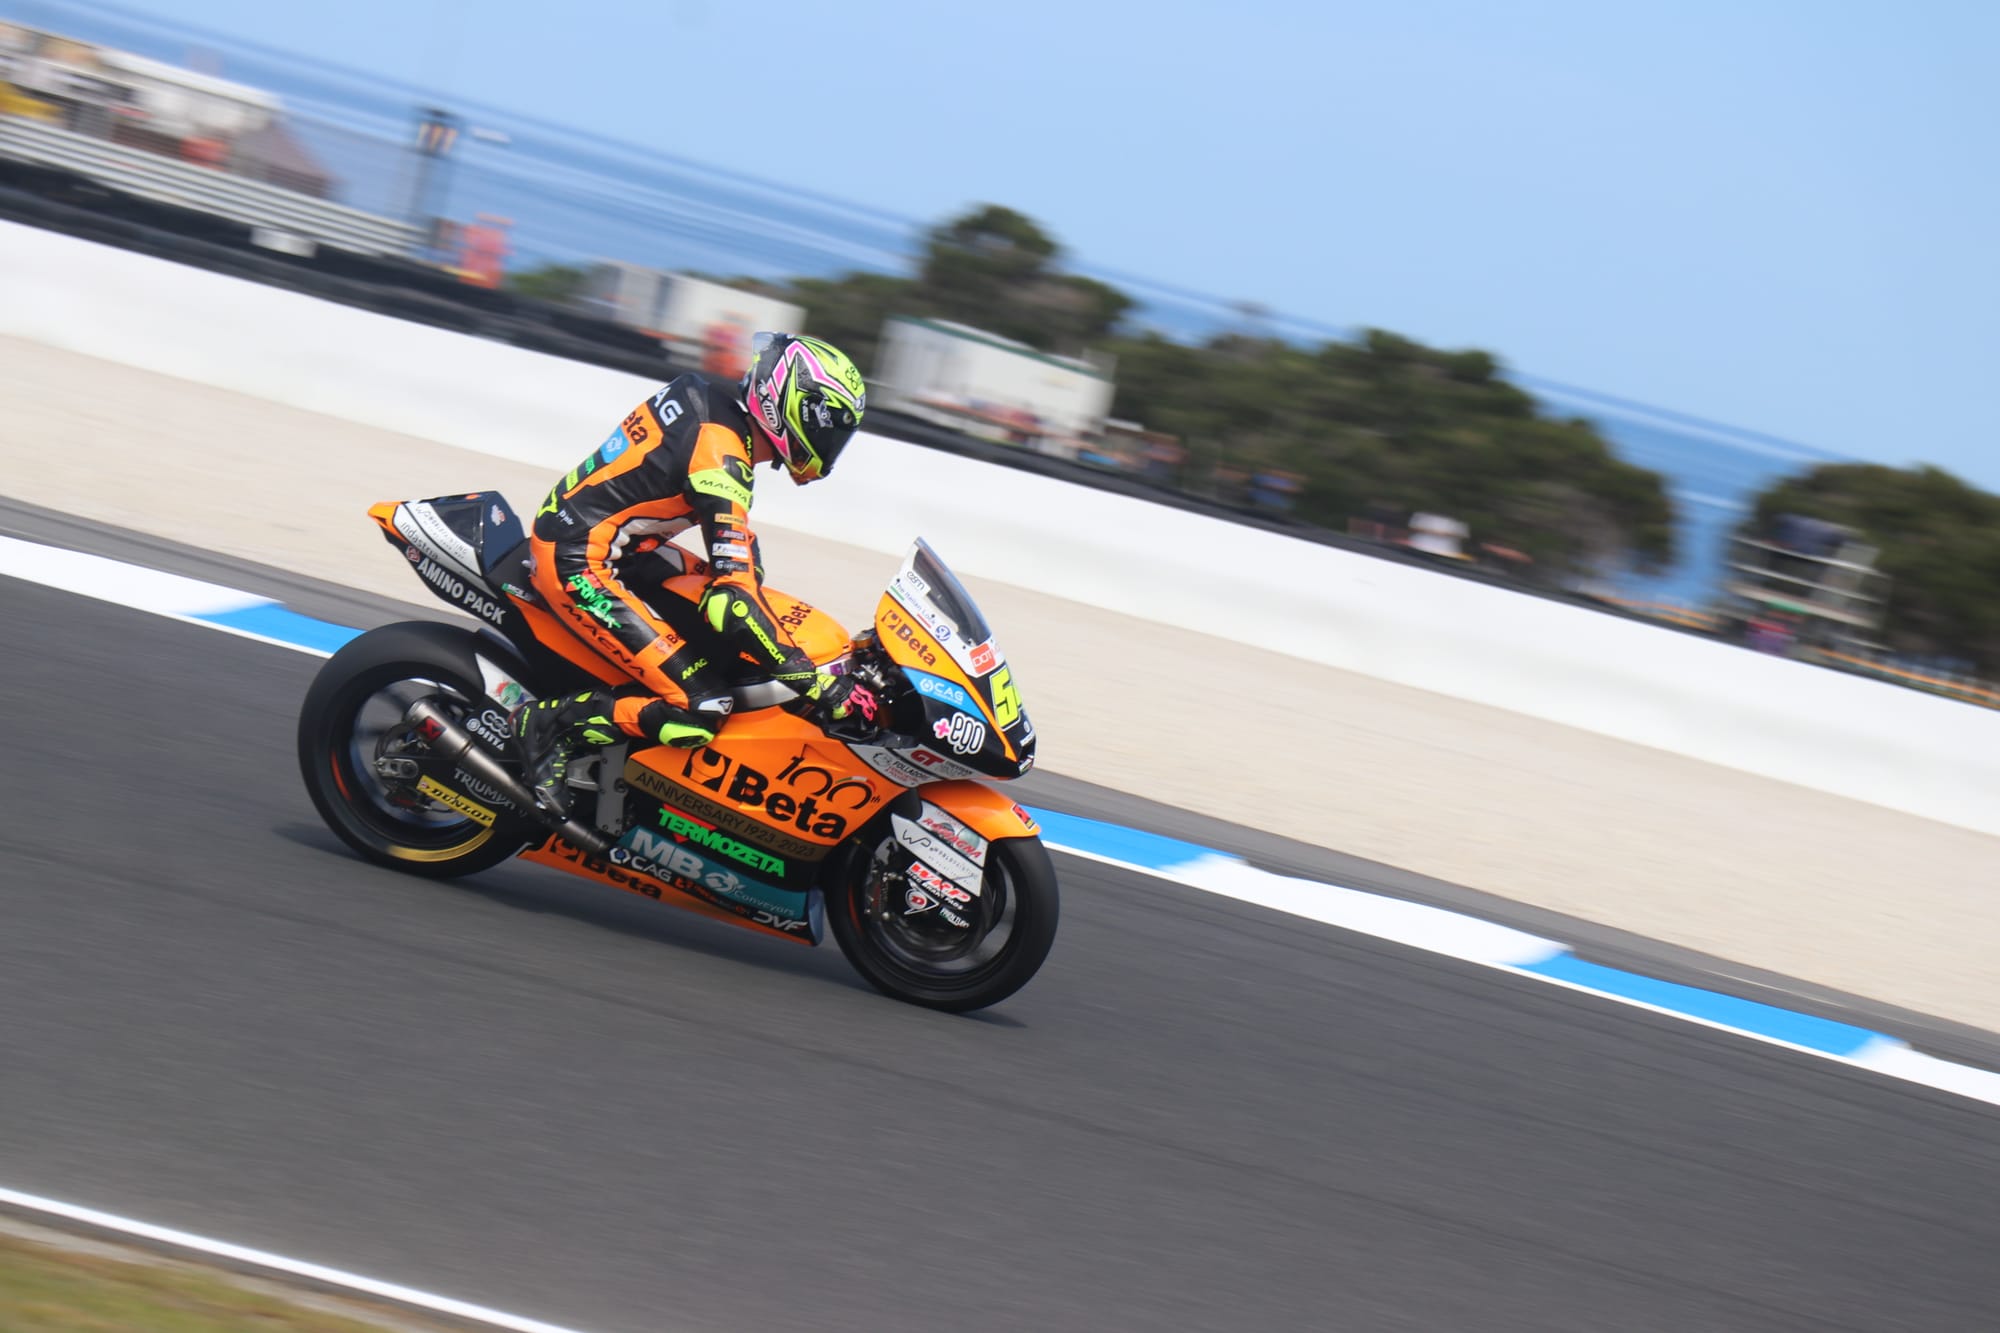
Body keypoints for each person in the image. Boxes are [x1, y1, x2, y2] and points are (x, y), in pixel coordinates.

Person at [510, 332, 870, 815]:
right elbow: (732, 601)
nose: (832, 444)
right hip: (579, 560)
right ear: (793, 407)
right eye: (831, 428)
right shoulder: (721, 456)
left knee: (730, 634)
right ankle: (547, 725)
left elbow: (734, 541)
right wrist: (817, 685)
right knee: (701, 706)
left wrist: (743, 578)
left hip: (618, 546)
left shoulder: (710, 405)